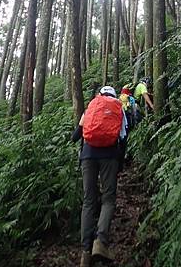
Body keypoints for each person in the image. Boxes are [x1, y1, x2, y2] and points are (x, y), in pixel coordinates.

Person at [72, 86, 127, 267]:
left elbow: (75, 136)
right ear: (113, 95)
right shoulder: (118, 107)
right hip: (109, 155)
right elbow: (123, 137)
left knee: (88, 201)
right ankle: (100, 242)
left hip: (88, 155)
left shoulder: (91, 106)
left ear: (100, 95)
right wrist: (120, 161)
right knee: (108, 199)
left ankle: (85, 252)